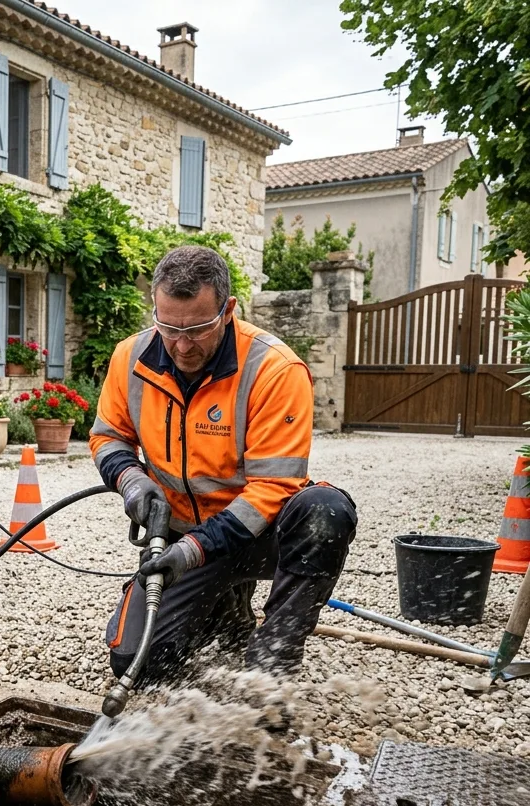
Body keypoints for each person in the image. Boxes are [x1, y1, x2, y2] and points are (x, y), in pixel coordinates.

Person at [89, 245, 357, 682]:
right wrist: (131, 480)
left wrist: (196, 550)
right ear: (154, 307)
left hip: (258, 534)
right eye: (167, 327)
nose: (179, 345)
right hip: (181, 538)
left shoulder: (274, 369)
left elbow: (273, 487)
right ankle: (225, 608)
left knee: (324, 512)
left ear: (228, 310)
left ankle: (273, 657)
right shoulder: (130, 358)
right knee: (137, 665)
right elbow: (108, 436)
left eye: (196, 329)